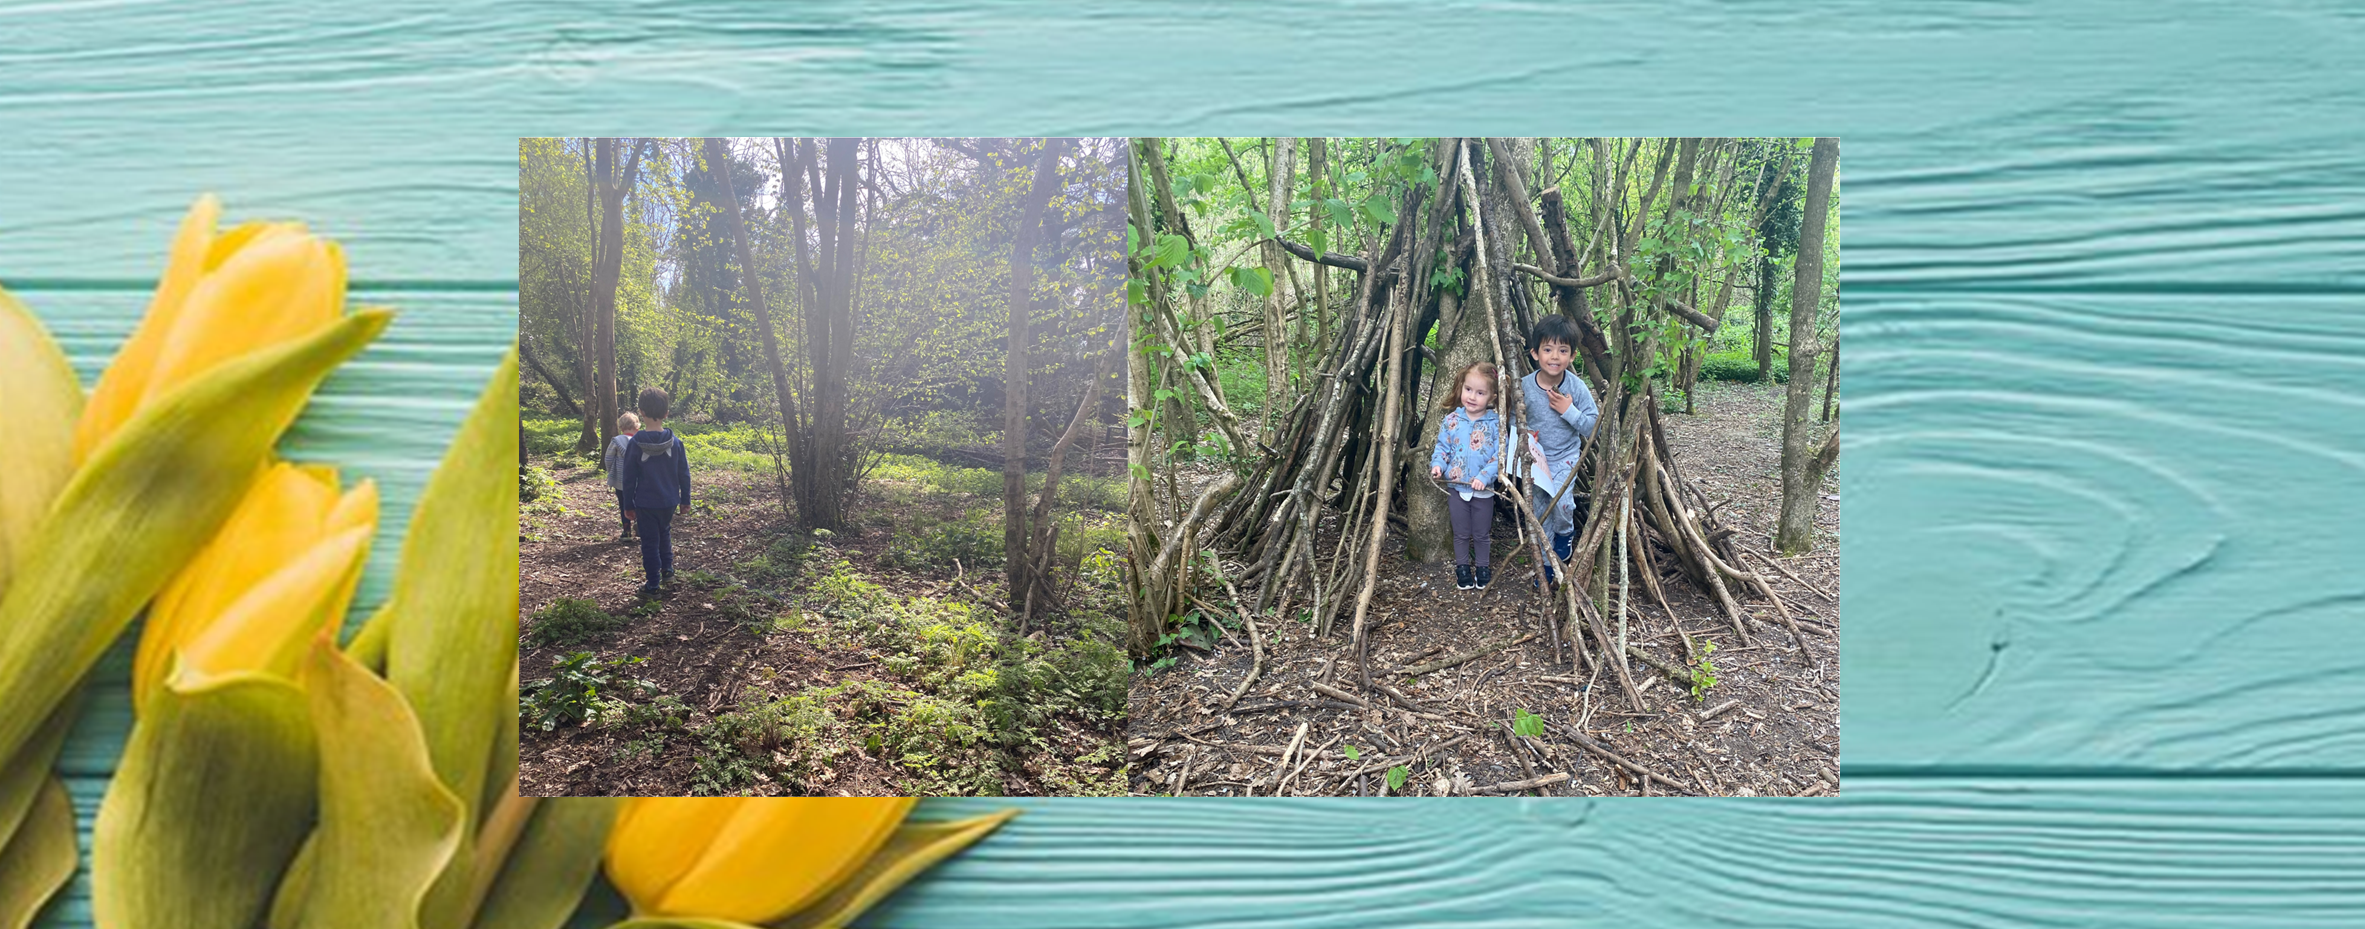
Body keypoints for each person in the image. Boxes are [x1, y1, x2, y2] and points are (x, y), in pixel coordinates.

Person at [1519, 314, 1598, 588]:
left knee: (1562, 504)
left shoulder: (1576, 387)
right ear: (1535, 353)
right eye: (1548, 349)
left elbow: (1594, 427)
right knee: (1540, 514)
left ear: (1572, 355)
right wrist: (1525, 436)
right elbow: (1513, 419)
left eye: (1563, 350)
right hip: (1536, 462)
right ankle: (1546, 568)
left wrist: (1569, 411)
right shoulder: (1524, 386)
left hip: (1565, 458)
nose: (1555, 356)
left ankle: (1565, 534)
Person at [1429, 362, 1503, 590]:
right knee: (1460, 533)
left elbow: (1500, 455)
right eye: (1468, 389)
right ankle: (1462, 567)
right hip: (1456, 487)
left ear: (1492, 397)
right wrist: (1438, 465)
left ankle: (1482, 567)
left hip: (1483, 490)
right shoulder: (1452, 420)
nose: (1472, 397)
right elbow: (1443, 448)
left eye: (1480, 393)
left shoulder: (1495, 424)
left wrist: (1485, 476)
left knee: (1481, 533)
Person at [620, 387, 692, 597]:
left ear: (641, 412)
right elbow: (684, 474)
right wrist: (685, 500)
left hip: (645, 502)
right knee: (664, 532)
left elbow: (628, 478)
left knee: (650, 542)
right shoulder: (675, 442)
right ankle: (667, 570)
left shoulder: (635, 443)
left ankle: (652, 585)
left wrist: (628, 505)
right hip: (669, 501)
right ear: (666, 413)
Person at [603, 411, 640, 541]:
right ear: (637, 427)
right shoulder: (639, 441)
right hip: (638, 481)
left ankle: (627, 532)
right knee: (638, 503)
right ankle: (640, 524)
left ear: (621, 427)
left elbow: (608, 458)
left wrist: (611, 472)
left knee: (624, 505)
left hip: (620, 481)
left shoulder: (616, 441)